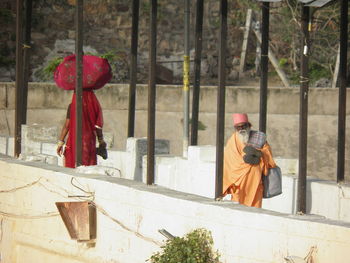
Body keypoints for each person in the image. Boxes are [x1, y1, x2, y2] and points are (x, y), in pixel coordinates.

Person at [222, 113, 276, 208]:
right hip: (239, 183)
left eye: (244, 125)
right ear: (235, 128)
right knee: (238, 208)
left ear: (249, 125)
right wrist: (244, 163)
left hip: (256, 181)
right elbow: (229, 163)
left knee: (255, 208)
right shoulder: (232, 141)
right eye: (239, 127)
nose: (242, 128)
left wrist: (261, 153)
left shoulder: (258, 138)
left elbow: (268, 153)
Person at [56, 89, 107, 168]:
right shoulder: (94, 106)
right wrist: (101, 140)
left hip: (74, 141)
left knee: (72, 167)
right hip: (89, 142)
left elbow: (67, 126)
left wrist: (60, 143)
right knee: (88, 168)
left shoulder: (72, 106)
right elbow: (98, 126)